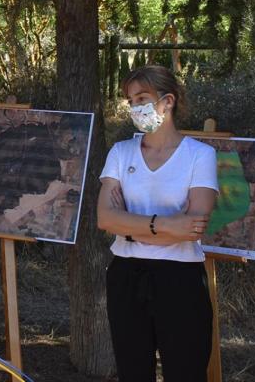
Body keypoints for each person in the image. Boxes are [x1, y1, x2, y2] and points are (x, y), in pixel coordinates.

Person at [96, 65, 218, 382]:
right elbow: (105, 218)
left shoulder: (200, 155)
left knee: (186, 372)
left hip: (180, 279)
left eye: (142, 98)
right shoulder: (121, 152)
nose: (135, 107)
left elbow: (193, 227)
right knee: (133, 372)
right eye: (130, 100)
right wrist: (166, 225)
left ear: (168, 101)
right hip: (126, 275)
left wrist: (130, 226)